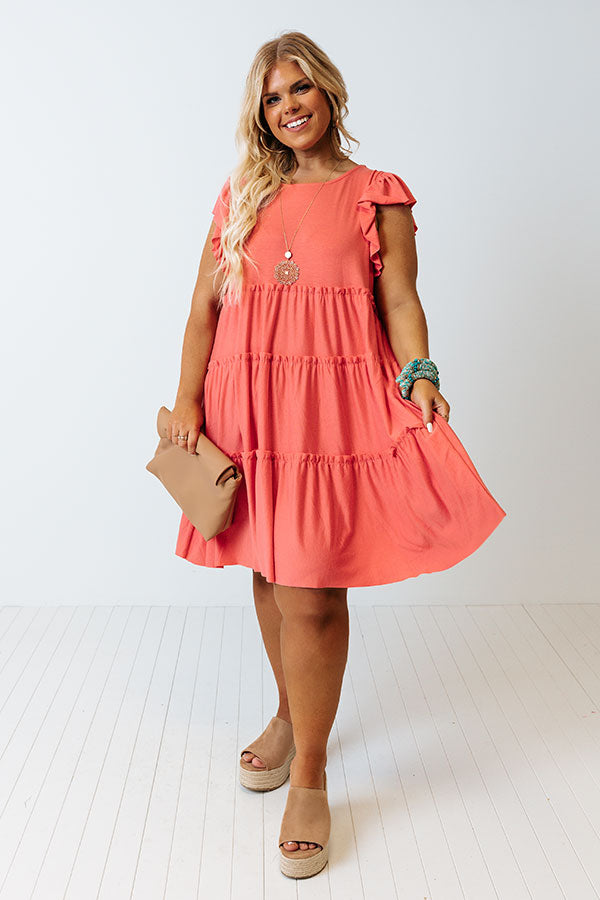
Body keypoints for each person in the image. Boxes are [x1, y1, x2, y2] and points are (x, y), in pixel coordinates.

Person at [166, 31, 506, 879]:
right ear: (261, 114)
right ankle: (291, 715)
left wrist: (420, 373)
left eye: (300, 89)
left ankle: (310, 775)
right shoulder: (241, 192)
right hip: (250, 403)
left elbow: (401, 301)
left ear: (329, 92)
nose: (290, 107)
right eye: (273, 97)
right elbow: (204, 306)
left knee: (313, 594)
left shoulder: (375, 194)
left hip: (329, 411)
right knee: (268, 573)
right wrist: (189, 399)